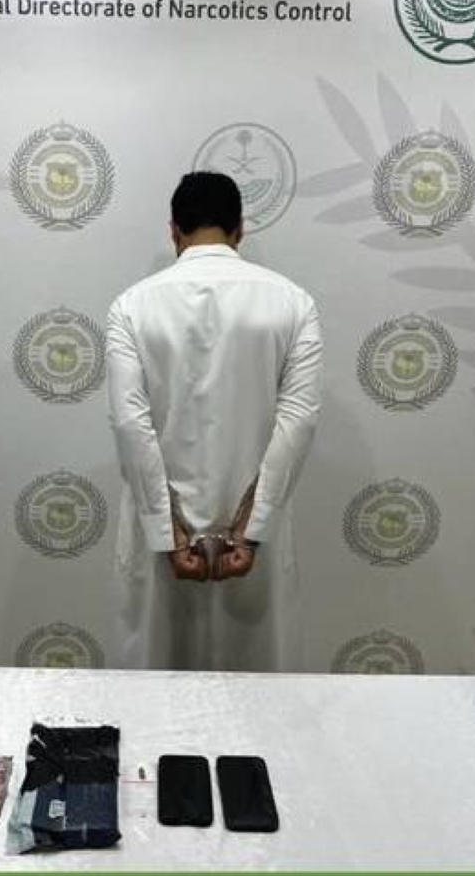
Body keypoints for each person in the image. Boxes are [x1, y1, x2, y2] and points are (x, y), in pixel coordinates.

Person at [106, 171, 323, 671]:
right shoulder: (293, 303)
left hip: (158, 537)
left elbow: (131, 425)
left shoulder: (132, 307)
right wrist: (251, 528)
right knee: (257, 692)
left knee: (153, 689)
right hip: (255, 537)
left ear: (173, 230)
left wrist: (166, 531)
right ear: (239, 229)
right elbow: (298, 420)